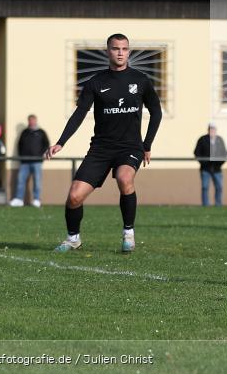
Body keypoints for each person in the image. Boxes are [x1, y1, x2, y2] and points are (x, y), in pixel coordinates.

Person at [45, 34, 162, 253]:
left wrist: (147, 144)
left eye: (124, 49)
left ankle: (128, 233)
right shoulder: (96, 82)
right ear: (107, 51)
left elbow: (156, 112)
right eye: (116, 48)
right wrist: (61, 142)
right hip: (100, 148)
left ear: (129, 52)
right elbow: (80, 112)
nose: (120, 52)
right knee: (74, 196)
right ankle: (73, 239)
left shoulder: (141, 80)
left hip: (130, 146)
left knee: (124, 178)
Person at [11, 114, 50, 207]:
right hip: (24, 162)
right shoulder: (24, 132)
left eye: (33, 120)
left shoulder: (41, 132)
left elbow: (46, 144)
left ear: (36, 121)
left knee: (37, 181)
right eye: (30, 120)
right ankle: (19, 199)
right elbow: (19, 145)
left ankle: (36, 200)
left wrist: (41, 155)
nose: (31, 122)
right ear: (28, 121)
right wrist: (21, 156)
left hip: (37, 162)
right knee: (21, 180)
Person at [194, 123, 227, 207]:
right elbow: (197, 152)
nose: (212, 131)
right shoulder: (202, 139)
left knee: (219, 187)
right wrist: (203, 163)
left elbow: (224, 153)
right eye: (210, 129)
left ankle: (218, 204)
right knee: (205, 187)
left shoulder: (219, 140)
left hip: (217, 169)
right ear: (208, 130)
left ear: (216, 130)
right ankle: (205, 204)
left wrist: (220, 163)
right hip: (205, 169)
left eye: (213, 129)